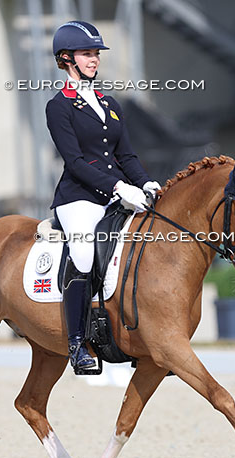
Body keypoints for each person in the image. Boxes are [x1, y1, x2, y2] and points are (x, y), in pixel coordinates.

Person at [46, 20, 161, 372]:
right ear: (66, 59)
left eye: (96, 53)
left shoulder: (110, 103)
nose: (94, 60)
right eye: (86, 54)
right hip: (78, 198)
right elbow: (75, 162)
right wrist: (118, 188)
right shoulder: (59, 106)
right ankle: (78, 344)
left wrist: (145, 183)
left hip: (116, 195)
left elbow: (126, 156)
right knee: (83, 253)